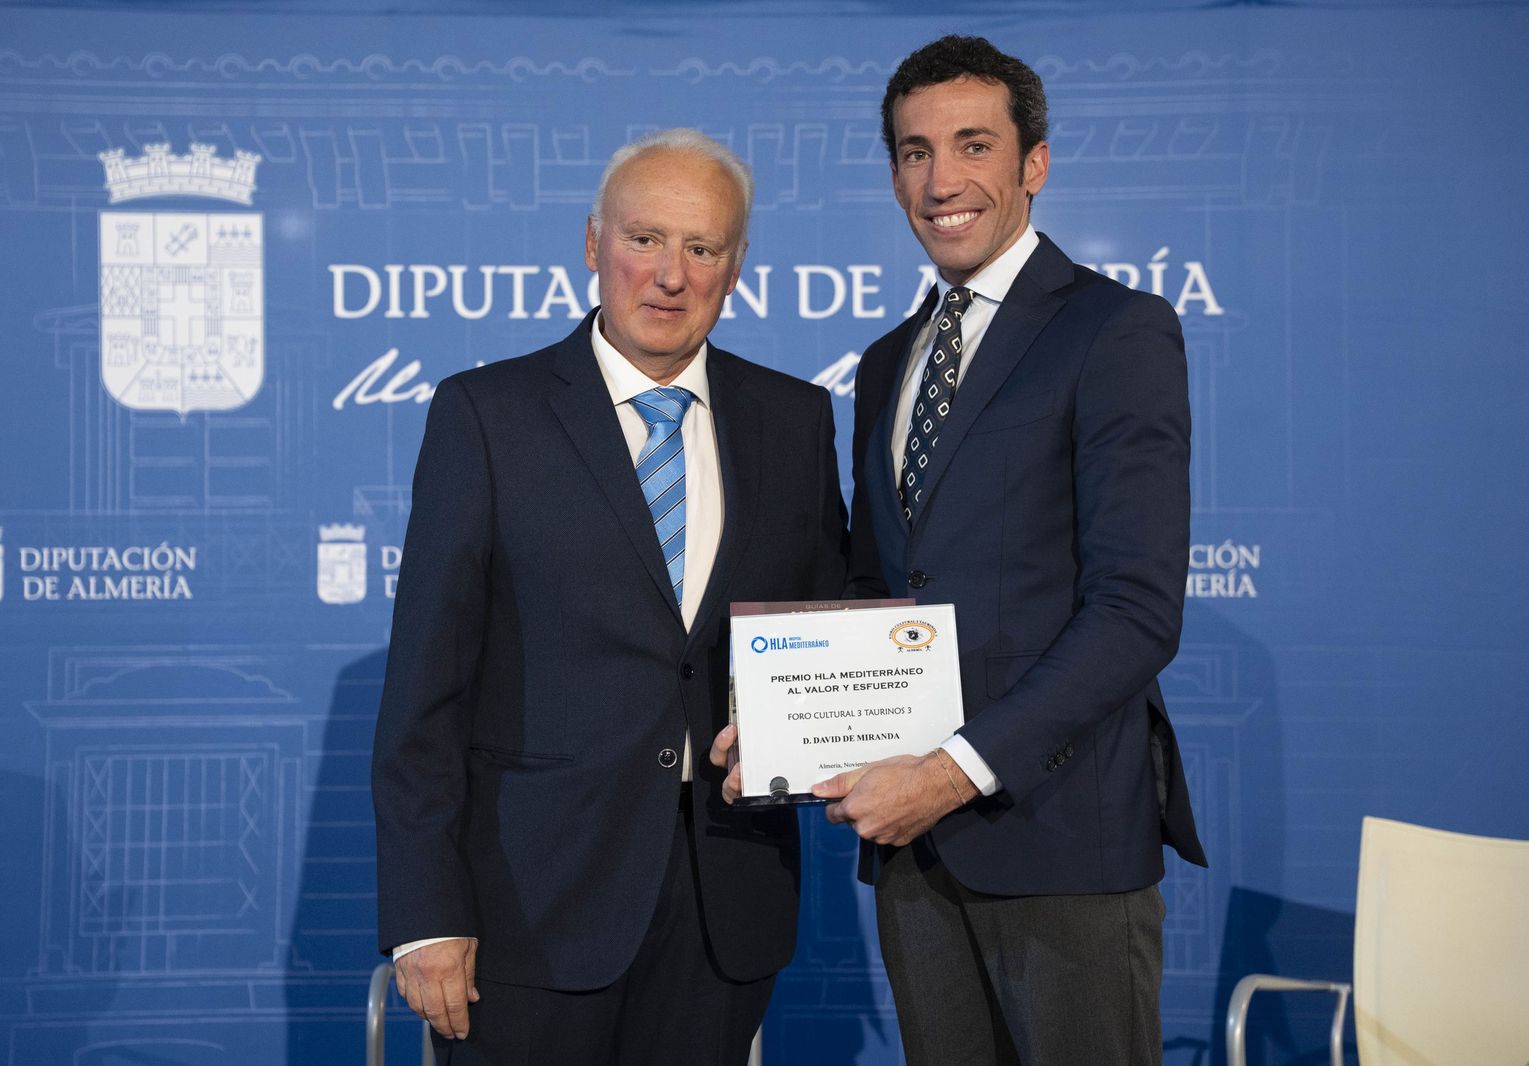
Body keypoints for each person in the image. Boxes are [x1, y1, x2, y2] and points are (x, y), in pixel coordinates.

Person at [371, 128, 848, 1066]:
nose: (669, 275)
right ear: (593, 245)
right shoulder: (486, 416)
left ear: (736, 267)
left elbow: (824, 628)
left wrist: (809, 733)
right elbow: (424, 689)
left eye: (701, 248)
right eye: (644, 240)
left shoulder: (794, 420)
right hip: (526, 913)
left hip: (725, 903)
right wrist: (426, 914)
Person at [821, 35, 1207, 1065]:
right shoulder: (886, 361)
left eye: (972, 145)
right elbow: (878, 586)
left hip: (1061, 836)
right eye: (913, 151)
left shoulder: (1114, 331)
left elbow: (1133, 611)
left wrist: (952, 771)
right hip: (914, 853)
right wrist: (791, 735)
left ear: (1033, 164)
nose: (941, 180)